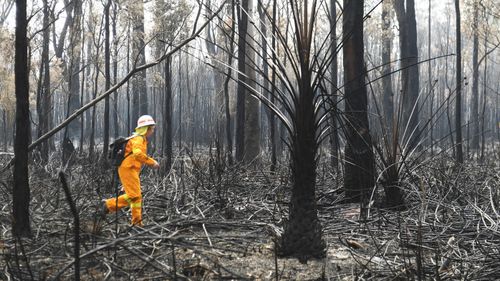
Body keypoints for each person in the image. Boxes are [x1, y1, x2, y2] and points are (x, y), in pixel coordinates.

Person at [102, 115, 160, 226]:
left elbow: (134, 159)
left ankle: (137, 222)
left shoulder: (140, 139)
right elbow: (138, 154)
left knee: (136, 196)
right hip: (127, 169)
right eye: (151, 128)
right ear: (146, 129)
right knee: (134, 196)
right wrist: (152, 162)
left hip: (131, 170)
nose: (152, 131)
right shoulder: (138, 139)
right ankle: (108, 205)